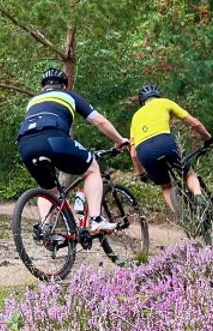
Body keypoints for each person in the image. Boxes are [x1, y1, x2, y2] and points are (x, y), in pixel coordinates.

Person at [17, 66, 130, 235]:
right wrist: (119, 140)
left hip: (25, 145)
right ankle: (96, 220)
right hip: (54, 139)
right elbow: (99, 121)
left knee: (48, 189)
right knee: (92, 169)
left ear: (43, 88)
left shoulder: (32, 102)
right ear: (64, 86)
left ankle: (46, 229)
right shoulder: (68, 95)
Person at [128, 82, 213, 214]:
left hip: (144, 151)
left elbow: (133, 154)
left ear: (142, 102)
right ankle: (198, 196)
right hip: (165, 142)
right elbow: (194, 123)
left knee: (166, 187)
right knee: (188, 174)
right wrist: (208, 138)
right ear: (158, 95)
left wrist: (141, 174)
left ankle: (180, 216)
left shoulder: (135, 117)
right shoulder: (165, 102)